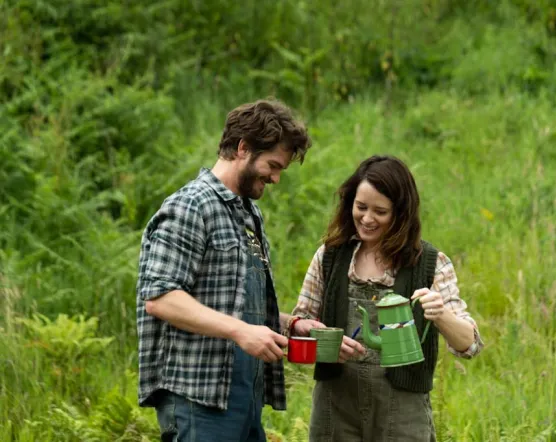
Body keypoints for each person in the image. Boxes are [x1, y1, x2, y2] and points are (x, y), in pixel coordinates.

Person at [135, 99, 325, 442]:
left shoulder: (250, 215)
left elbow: (232, 305)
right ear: (243, 148)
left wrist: (293, 324)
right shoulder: (191, 205)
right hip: (199, 403)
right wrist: (241, 331)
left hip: (245, 400)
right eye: (273, 165)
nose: (277, 178)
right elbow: (160, 298)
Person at [291, 155, 485, 441]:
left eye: (380, 212)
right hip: (336, 406)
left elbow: (469, 345)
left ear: (401, 214)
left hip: (402, 411)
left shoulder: (430, 263)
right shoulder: (330, 257)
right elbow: (300, 323)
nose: (367, 219)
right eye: (361, 207)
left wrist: (440, 313)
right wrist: (312, 334)